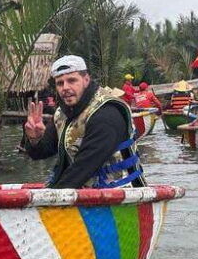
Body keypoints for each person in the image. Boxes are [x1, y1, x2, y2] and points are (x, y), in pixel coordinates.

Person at [23, 55, 145, 189]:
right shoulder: (62, 113)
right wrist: (34, 138)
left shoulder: (106, 113)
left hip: (121, 198)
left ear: (86, 80)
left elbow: (84, 167)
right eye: (60, 83)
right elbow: (41, 153)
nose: (65, 87)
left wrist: (52, 195)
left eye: (72, 80)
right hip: (83, 193)